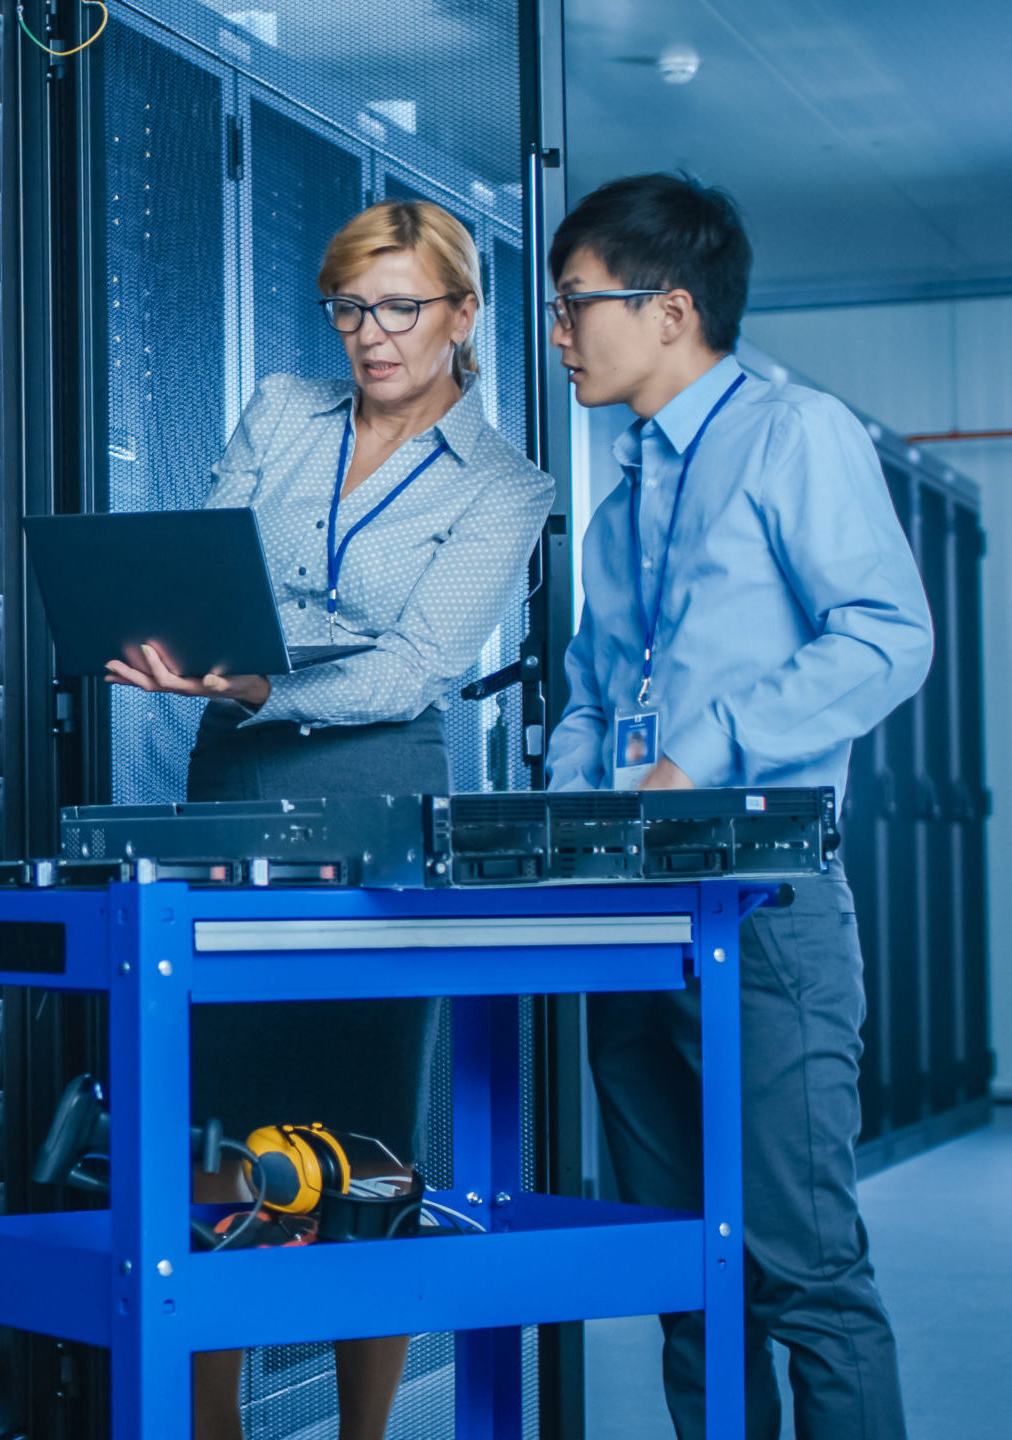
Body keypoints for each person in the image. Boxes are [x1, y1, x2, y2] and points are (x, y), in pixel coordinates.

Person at [106, 199, 555, 1440]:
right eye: (350, 309)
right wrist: (182, 635)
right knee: (216, 1110)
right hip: (235, 772)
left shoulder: (507, 486)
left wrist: (261, 670)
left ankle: (363, 1432)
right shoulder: (280, 411)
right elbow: (208, 560)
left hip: (377, 788)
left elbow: (414, 663)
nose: (372, 336)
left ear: (465, 316)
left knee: (360, 1128)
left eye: (401, 308)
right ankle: (215, 1424)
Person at [543, 172, 932, 1439]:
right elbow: (596, 696)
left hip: (764, 910)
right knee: (688, 1279)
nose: (558, 334)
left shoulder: (794, 434)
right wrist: (570, 800)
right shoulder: (620, 503)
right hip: (629, 909)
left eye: (574, 305)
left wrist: (705, 751)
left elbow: (887, 637)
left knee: (802, 1269)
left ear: (670, 309)